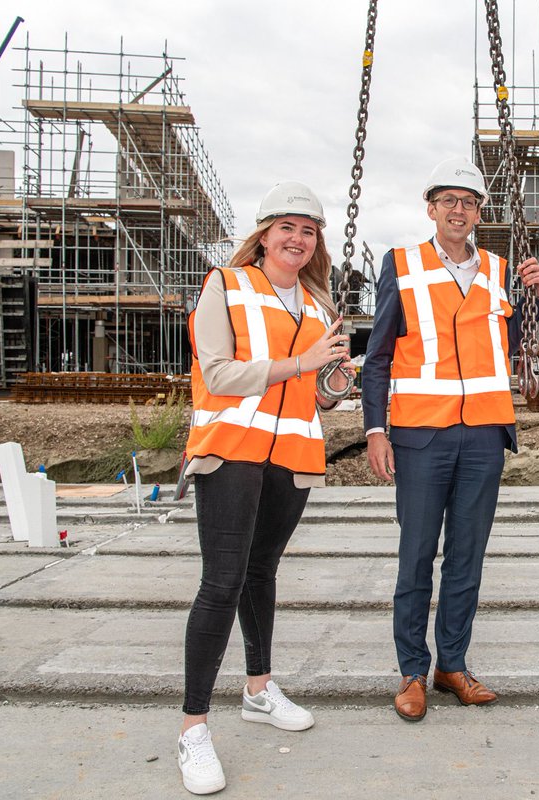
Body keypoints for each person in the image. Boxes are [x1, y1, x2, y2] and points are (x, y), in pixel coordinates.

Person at [177, 182, 353, 795]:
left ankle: (258, 689)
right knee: (220, 583)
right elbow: (219, 373)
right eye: (287, 227)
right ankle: (193, 728)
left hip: (292, 456)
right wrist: (303, 364)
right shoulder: (224, 286)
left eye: (309, 231)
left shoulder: (317, 303)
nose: (298, 240)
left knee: (262, 575)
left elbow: (317, 398)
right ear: (262, 233)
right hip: (230, 452)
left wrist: (333, 380)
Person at [362, 157, 539, 723]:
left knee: (467, 557)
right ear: (431, 208)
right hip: (421, 436)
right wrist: (376, 430)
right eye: (448, 200)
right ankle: (413, 671)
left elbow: (514, 335)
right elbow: (377, 357)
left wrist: (538, 298)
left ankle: (454, 664)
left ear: (478, 211)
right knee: (417, 556)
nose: (459, 209)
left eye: (468, 201)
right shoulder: (403, 265)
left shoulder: (498, 269)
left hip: (485, 435)